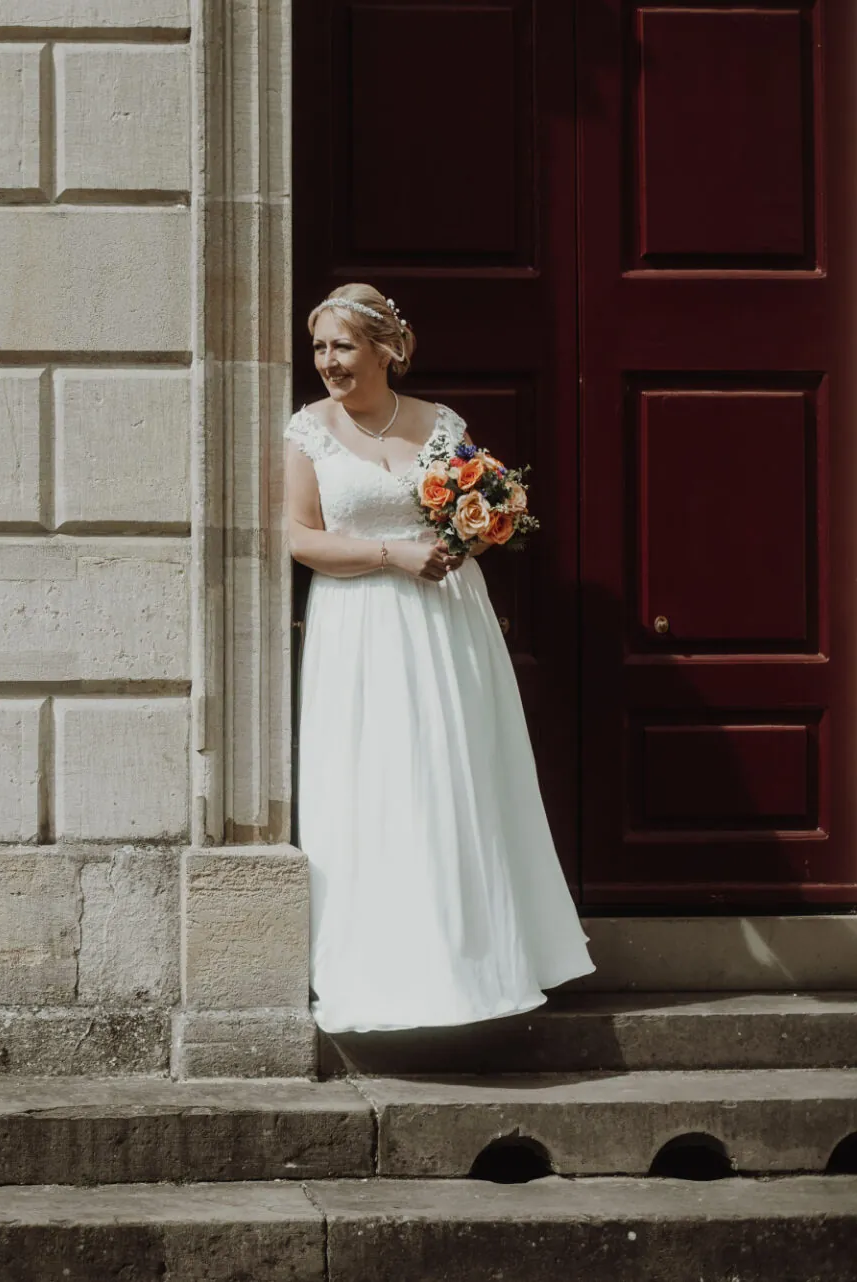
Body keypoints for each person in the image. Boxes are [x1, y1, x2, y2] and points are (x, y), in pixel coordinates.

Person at [283, 283, 592, 1033]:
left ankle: (475, 957)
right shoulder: (307, 432)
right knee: (375, 782)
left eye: (342, 346)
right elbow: (297, 537)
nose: (328, 362)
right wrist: (392, 554)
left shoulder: (441, 426)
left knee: (451, 776)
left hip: (447, 624)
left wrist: (480, 528)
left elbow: (479, 514)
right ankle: (381, 965)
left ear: (386, 350)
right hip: (359, 627)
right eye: (320, 347)